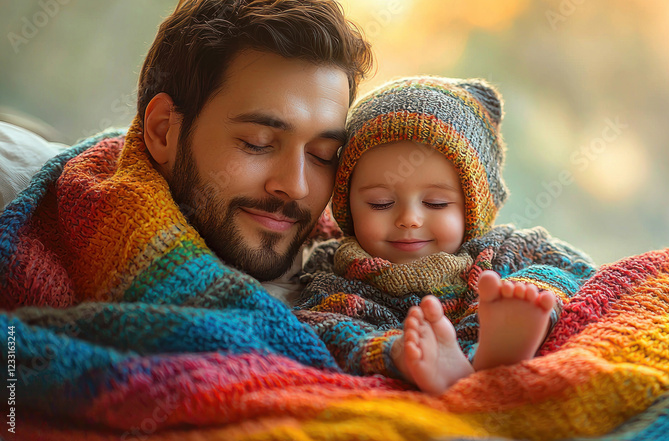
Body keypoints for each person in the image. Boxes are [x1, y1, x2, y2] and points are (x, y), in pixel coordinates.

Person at [0, 0, 373, 309]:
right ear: (163, 130)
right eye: (258, 143)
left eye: (323, 155)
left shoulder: (365, 271)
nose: (295, 185)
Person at [298, 76, 597, 395]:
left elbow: (579, 269)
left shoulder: (503, 250)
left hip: (495, 322)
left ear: (473, 209)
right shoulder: (336, 270)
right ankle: (427, 360)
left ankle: (493, 346)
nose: (409, 219)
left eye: (436, 203)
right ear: (347, 206)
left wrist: (528, 293)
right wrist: (400, 351)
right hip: (403, 351)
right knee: (334, 327)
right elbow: (319, 327)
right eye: (380, 203)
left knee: (539, 278)